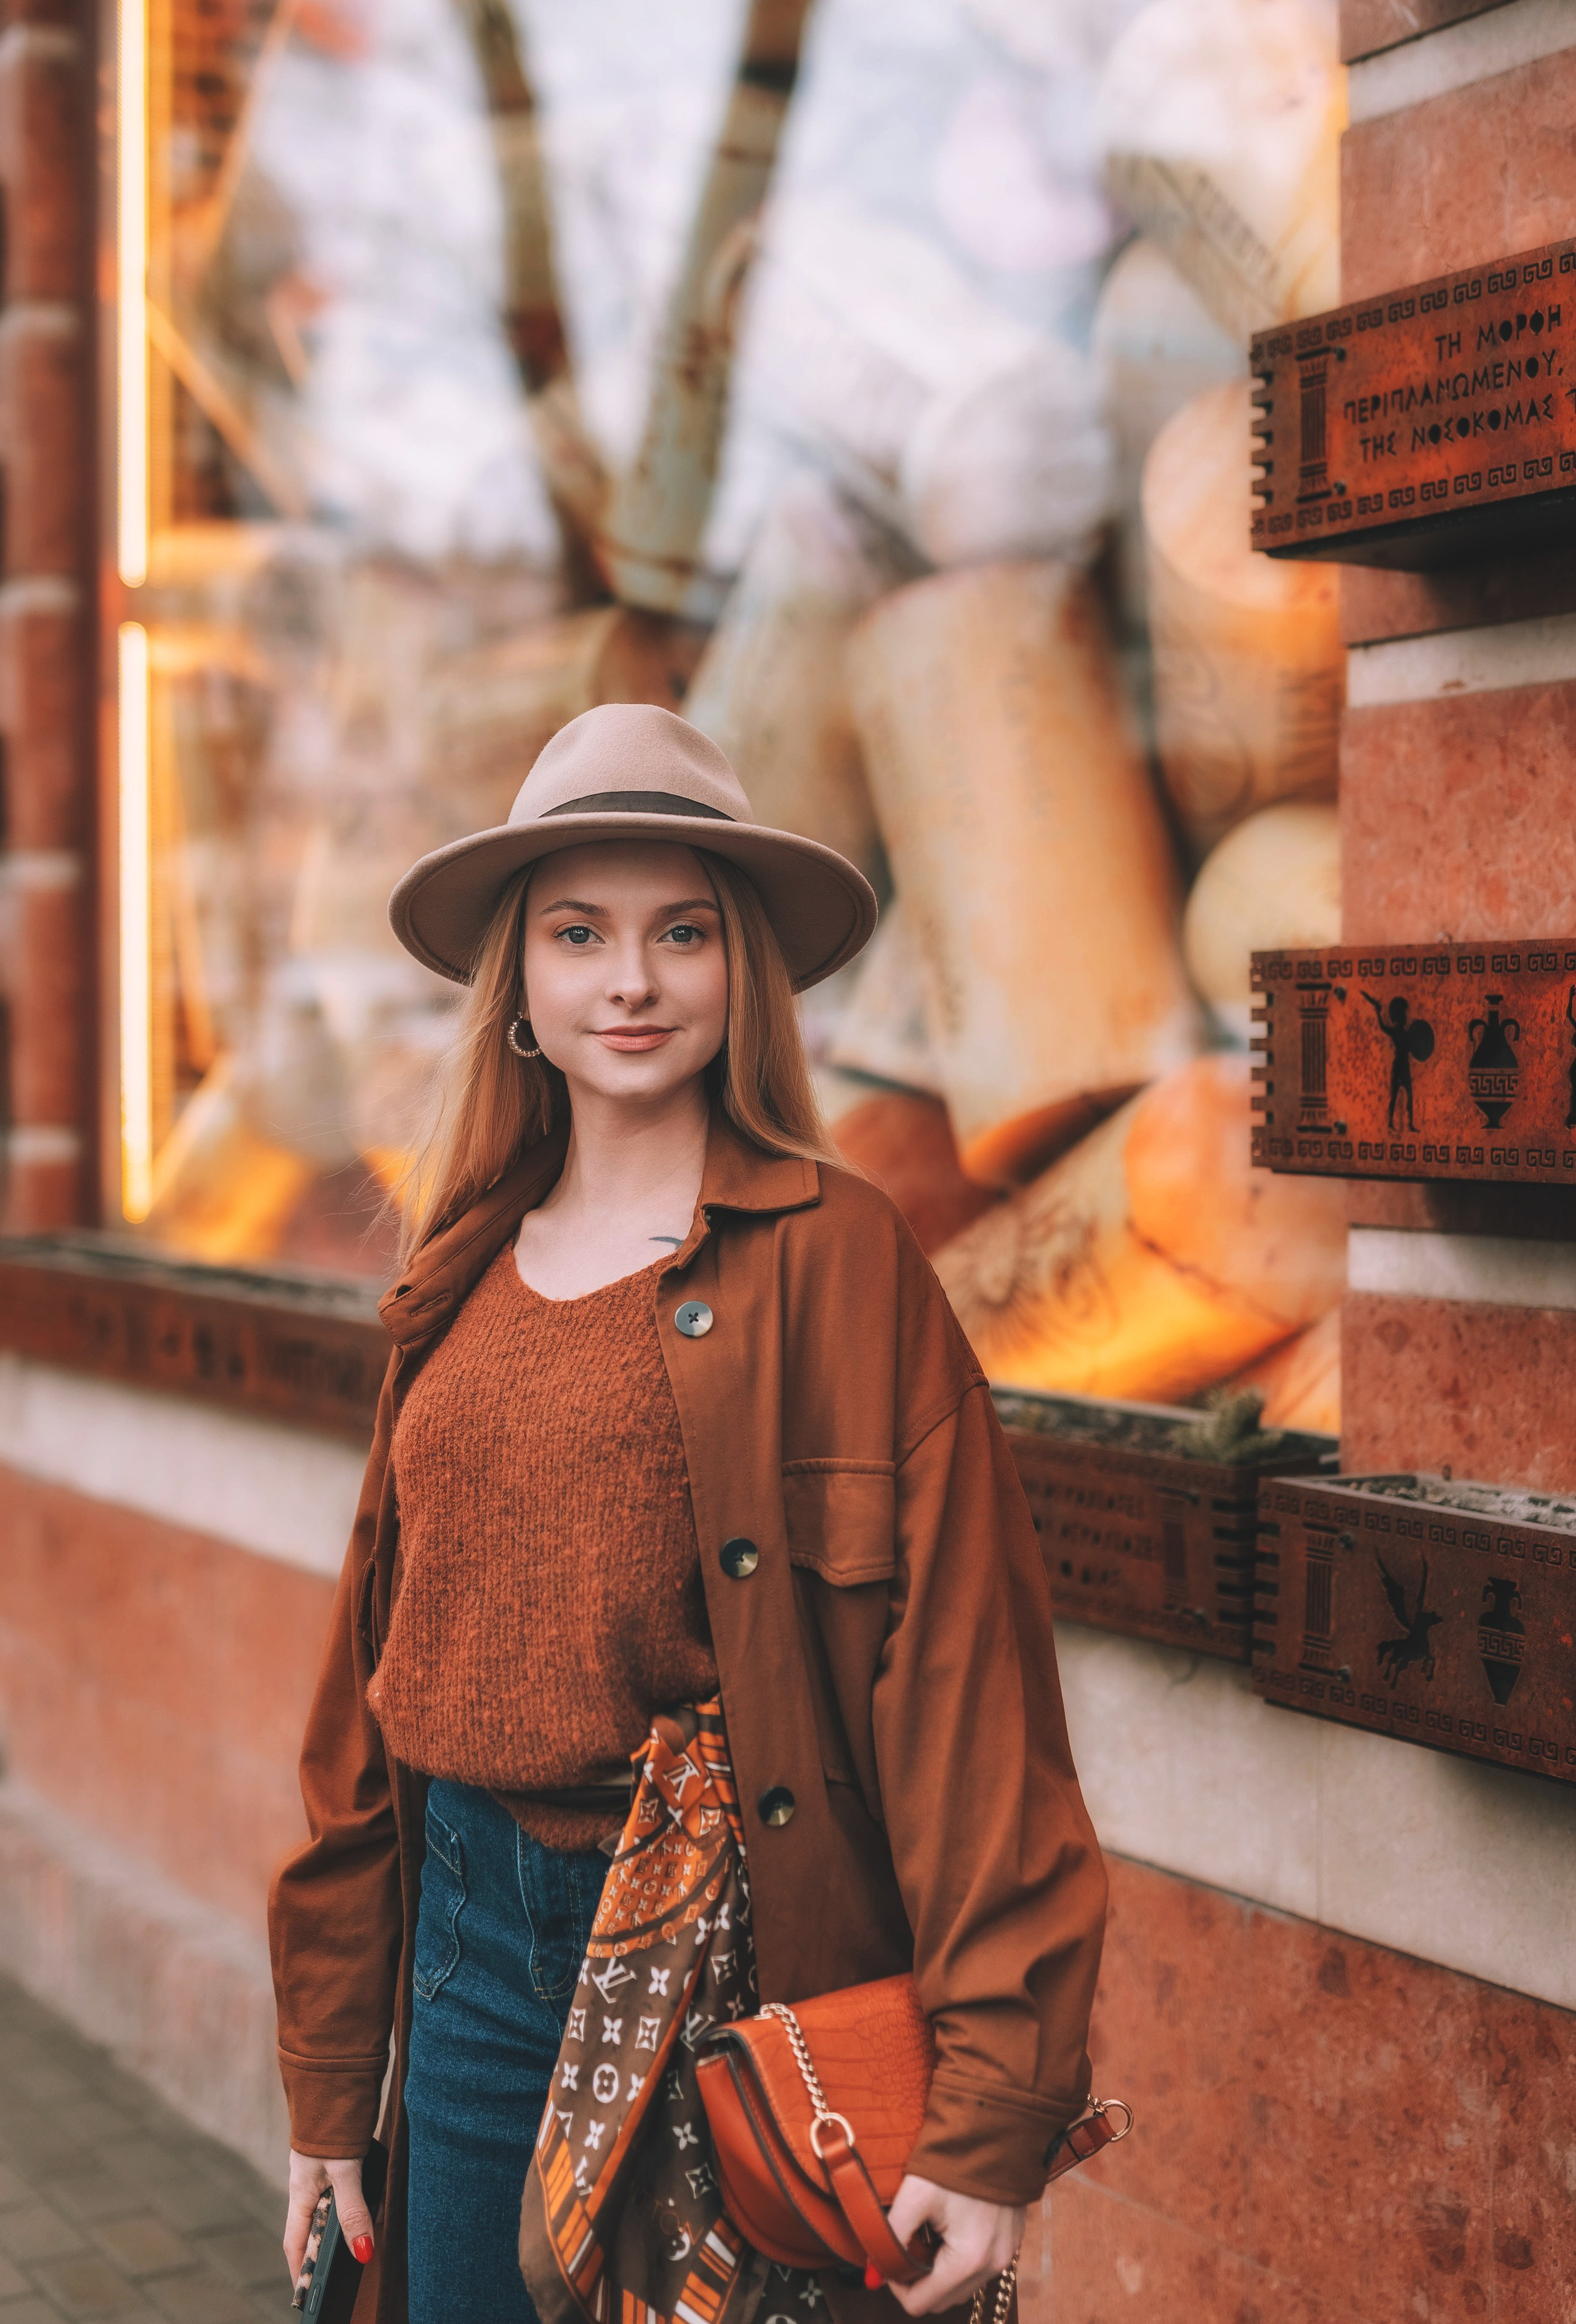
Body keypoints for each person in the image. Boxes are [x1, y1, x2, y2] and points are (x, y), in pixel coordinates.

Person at [269, 703, 1108, 2324]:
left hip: (727, 1962)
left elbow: (968, 1691)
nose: (632, 980)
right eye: (580, 933)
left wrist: (994, 2110)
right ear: (522, 984)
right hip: (463, 1946)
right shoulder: (456, 1272)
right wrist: (327, 2072)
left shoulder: (842, 1262)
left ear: (742, 974)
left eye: (683, 932)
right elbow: (365, 1702)